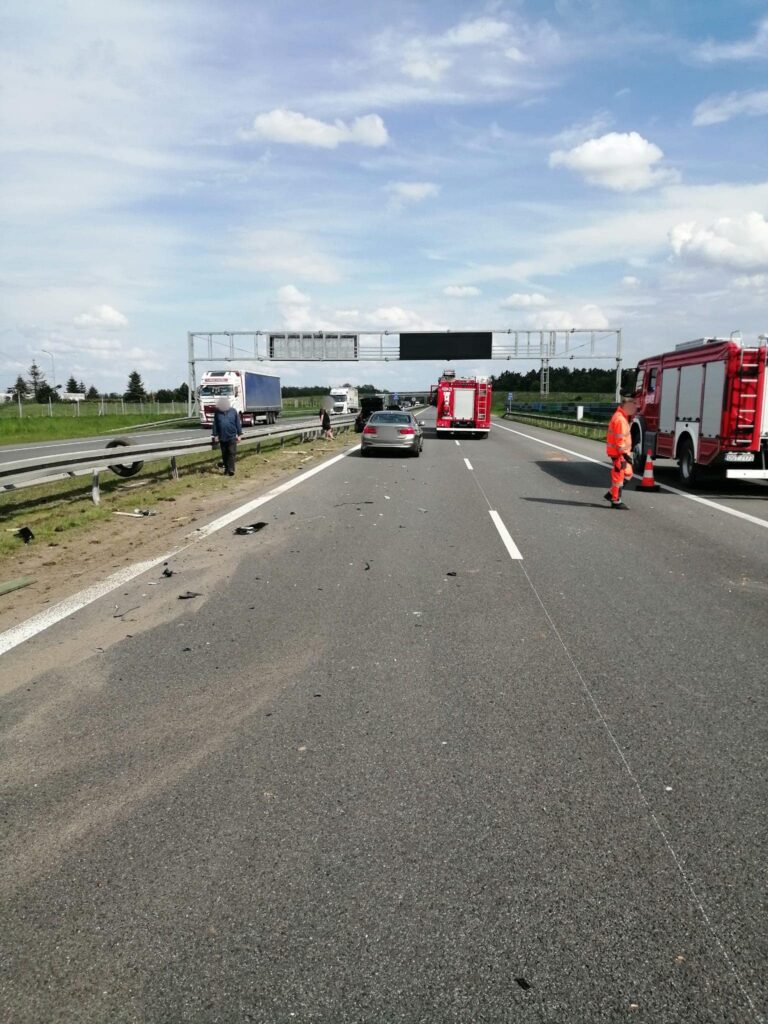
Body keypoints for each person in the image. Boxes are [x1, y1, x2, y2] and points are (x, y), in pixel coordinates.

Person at [604, 392, 637, 509]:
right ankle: (615, 500)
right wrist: (625, 455)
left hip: (620, 453)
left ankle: (611, 494)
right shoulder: (621, 420)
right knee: (619, 477)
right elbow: (620, 441)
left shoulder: (621, 416)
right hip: (619, 454)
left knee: (628, 474)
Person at [211, 396, 242, 476]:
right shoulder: (217, 412)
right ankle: (226, 469)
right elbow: (215, 424)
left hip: (232, 436)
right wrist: (215, 435)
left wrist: (239, 434)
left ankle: (231, 470)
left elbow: (237, 423)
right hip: (222, 436)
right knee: (224, 454)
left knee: (231, 452)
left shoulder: (233, 411)